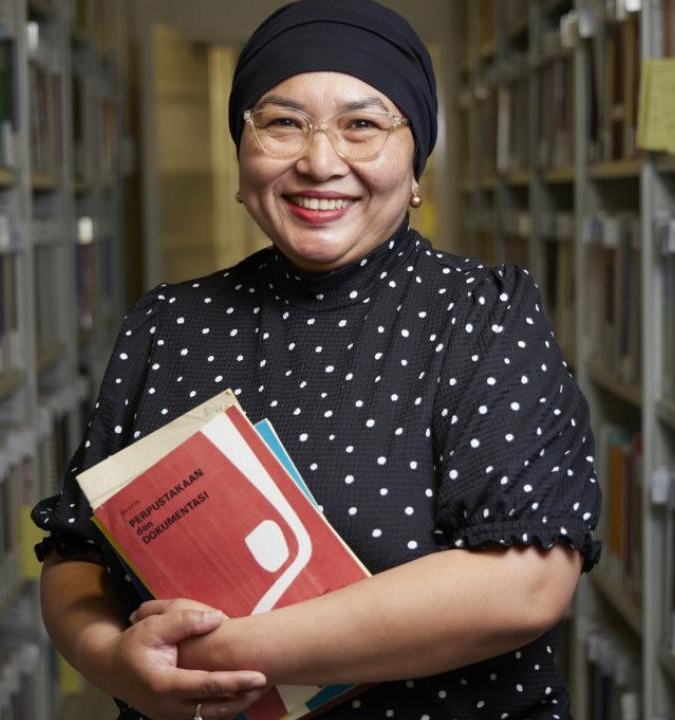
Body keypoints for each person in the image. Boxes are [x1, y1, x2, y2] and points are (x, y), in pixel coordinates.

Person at [32, 1, 602, 718]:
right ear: (241, 154)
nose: (319, 161)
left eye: (362, 124)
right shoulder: (168, 323)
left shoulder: (482, 315)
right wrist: (110, 658)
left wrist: (225, 653)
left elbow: (524, 587)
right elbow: (77, 551)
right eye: (281, 122)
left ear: (416, 158)